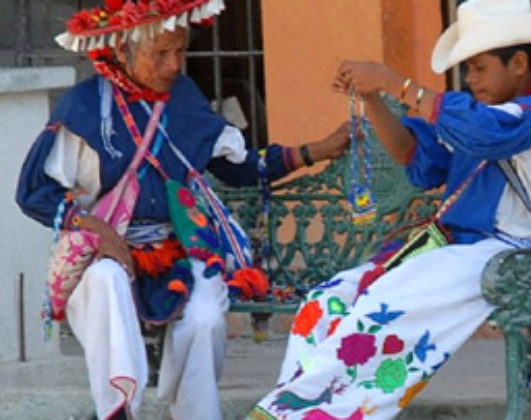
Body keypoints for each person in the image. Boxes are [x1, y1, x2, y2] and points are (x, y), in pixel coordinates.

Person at [244, 0, 531, 419]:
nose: (470, 79)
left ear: (519, 63)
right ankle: (297, 408)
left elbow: (487, 134)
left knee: (382, 307)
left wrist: (398, 83)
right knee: (326, 301)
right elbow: (417, 156)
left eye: (479, 67)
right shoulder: (477, 115)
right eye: (467, 69)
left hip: (515, 255)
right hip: (459, 251)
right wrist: (374, 99)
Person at [15, 1, 349, 419]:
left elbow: (239, 167)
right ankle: (119, 410)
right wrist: (94, 227)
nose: (174, 65)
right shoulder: (84, 107)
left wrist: (315, 151)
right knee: (105, 281)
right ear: (121, 51)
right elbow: (34, 191)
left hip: (177, 250)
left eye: (180, 51)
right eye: (160, 54)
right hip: (102, 252)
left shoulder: (184, 98)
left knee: (206, 316)